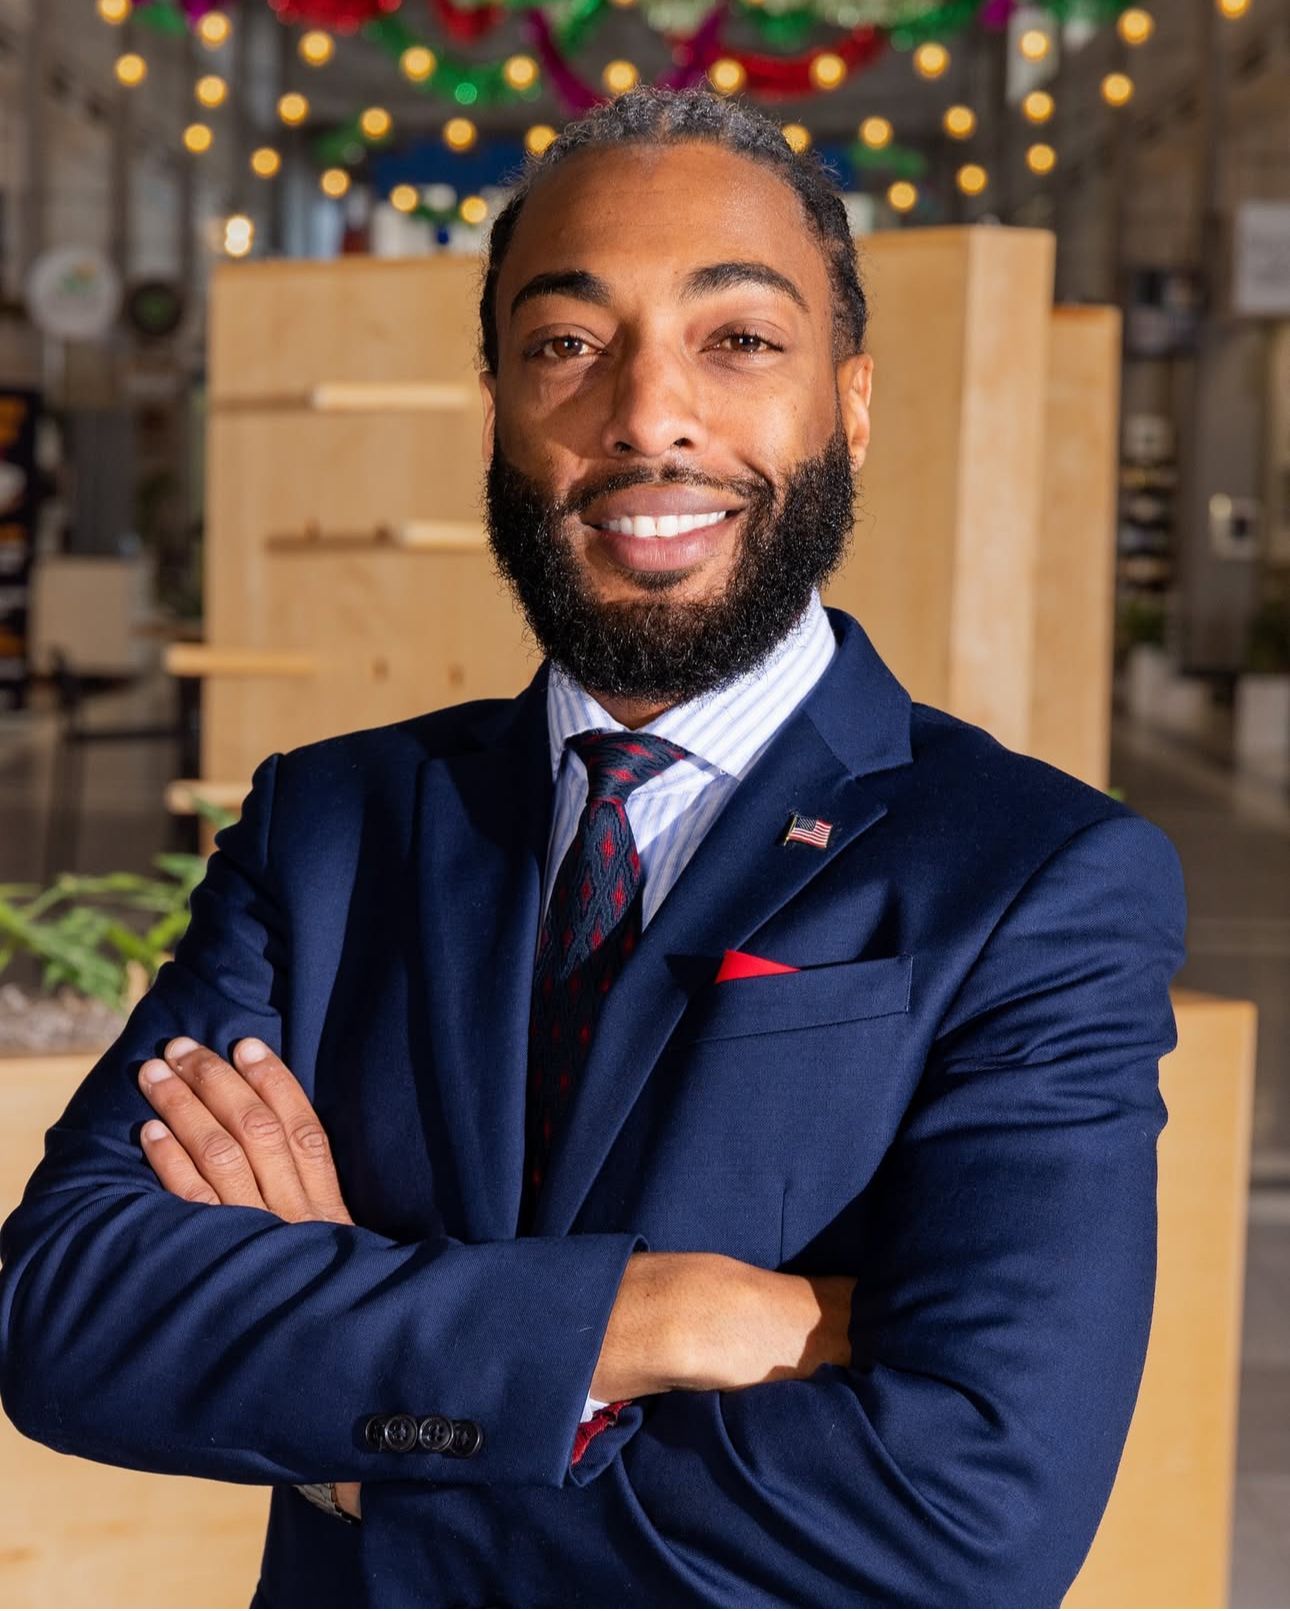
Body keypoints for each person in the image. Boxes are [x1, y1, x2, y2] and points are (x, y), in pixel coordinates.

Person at [0, 87, 1187, 1608]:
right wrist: (650, 1317)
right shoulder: (332, 827)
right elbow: (70, 1311)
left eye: (737, 339)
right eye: (566, 344)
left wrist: (372, 1452)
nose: (645, 415)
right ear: (497, 403)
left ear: (849, 403)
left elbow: (974, 1514)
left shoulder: (1032, 875)